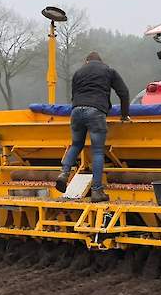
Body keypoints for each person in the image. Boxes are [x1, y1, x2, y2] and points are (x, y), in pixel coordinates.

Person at [55, 51, 130, 203]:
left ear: (86, 61)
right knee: (97, 151)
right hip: (96, 111)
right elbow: (124, 92)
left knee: (76, 144)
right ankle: (97, 191)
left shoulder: (78, 72)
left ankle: (64, 173)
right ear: (100, 61)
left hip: (76, 111)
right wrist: (124, 114)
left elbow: (74, 95)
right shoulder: (109, 71)